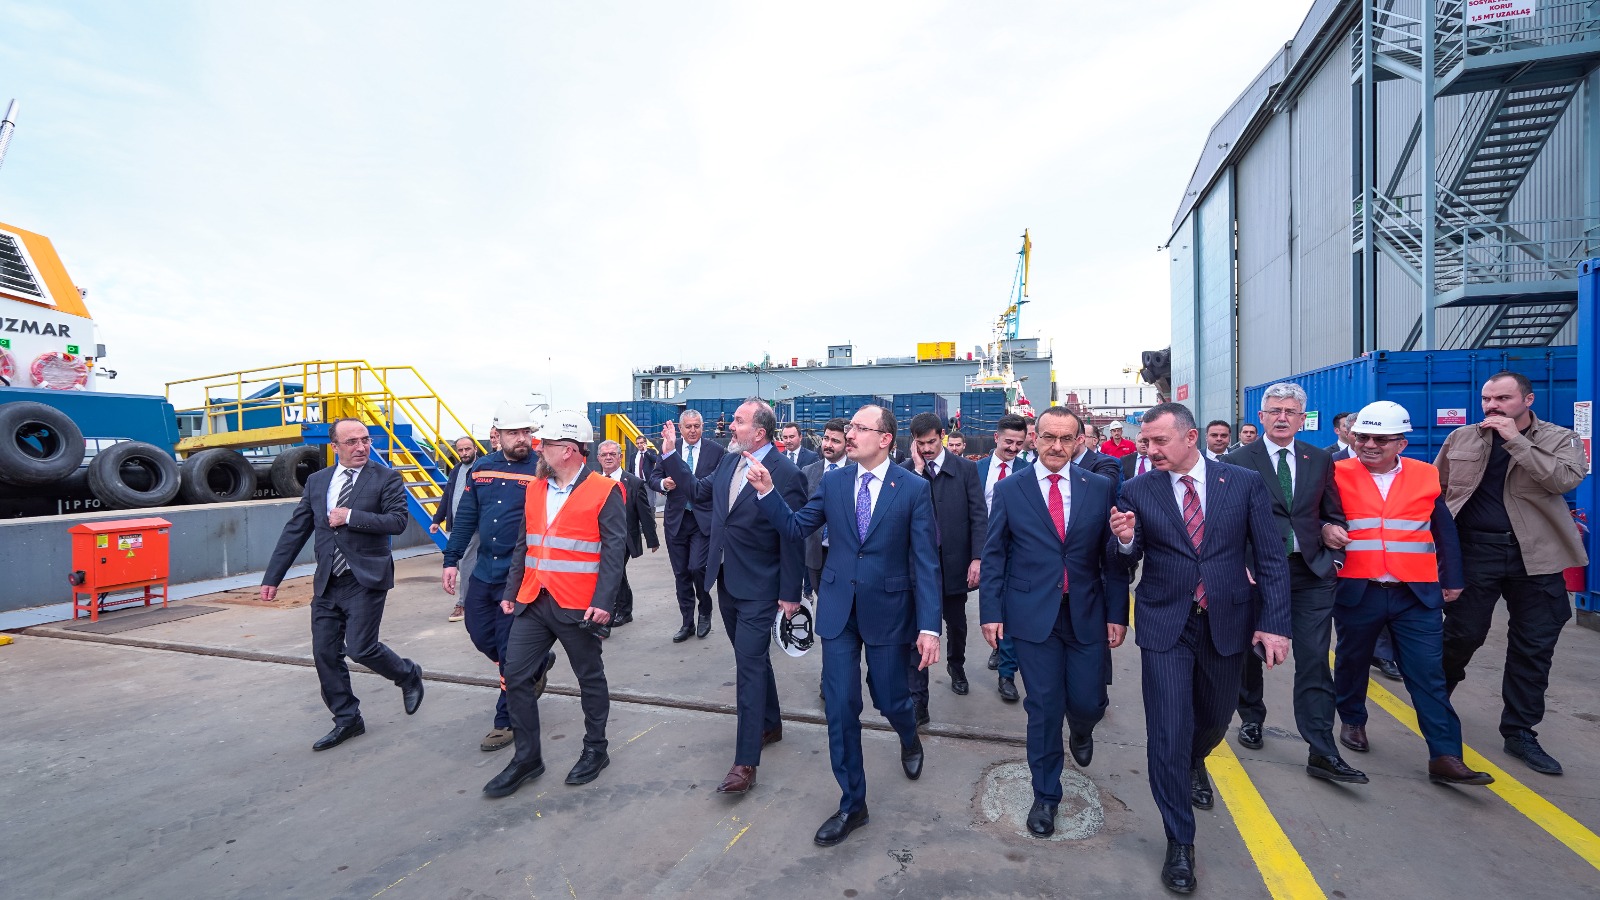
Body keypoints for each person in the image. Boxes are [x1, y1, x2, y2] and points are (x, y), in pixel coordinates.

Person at [1108, 402, 1291, 894]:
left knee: (1213, 718)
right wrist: (1124, 541)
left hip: (1227, 619)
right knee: (1168, 730)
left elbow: (1271, 558)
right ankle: (1180, 840)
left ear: (1190, 437)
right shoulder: (1138, 488)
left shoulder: (1243, 484)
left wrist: (1274, 624)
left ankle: (1195, 759)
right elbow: (1125, 559)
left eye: (1159, 441)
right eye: (1146, 442)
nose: (1150, 449)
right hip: (1166, 623)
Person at [749, 404, 942, 848]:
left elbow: (926, 563)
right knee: (840, 707)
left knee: (890, 698)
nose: (849, 434)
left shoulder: (912, 489)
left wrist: (929, 627)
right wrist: (767, 492)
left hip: (888, 610)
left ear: (885, 439)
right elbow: (796, 527)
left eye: (859, 428)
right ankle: (853, 804)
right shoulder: (834, 482)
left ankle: (908, 735)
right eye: (849, 427)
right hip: (838, 609)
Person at [1323, 401, 1494, 788]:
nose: (1369, 445)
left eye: (1380, 439)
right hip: (1358, 588)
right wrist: (1323, 530)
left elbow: (1443, 530)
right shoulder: (1334, 473)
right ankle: (1352, 720)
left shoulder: (1425, 475)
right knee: (1352, 661)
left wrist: (1453, 577)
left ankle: (1445, 755)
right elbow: (1315, 517)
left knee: (1428, 673)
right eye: (1363, 437)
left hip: (1415, 593)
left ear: (1401, 443)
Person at [981, 406, 1128, 838]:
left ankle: (1082, 728)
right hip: (1032, 615)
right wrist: (991, 612)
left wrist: (1117, 613)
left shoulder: (1098, 487)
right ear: (1035, 437)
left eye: (1066, 439)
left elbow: (1111, 559)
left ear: (1079, 441)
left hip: (1086, 612)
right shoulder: (1011, 490)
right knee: (1043, 708)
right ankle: (1046, 795)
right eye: (1049, 437)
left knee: (1088, 701)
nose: (1057, 446)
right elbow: (994, 555)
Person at [1437, 371, 1588, 776]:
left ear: (1528, 400)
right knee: (1461, 634)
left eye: (1503, 398)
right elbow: (1437, 490)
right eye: (1487, 399)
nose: (1492, 406)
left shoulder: (1560, 439)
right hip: (1474, 551)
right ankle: (1435, 705)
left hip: (1535, 555)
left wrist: (1516, 441)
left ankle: (1520, 731)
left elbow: (1564, 479)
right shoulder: (1462, 438)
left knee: (1533, 644)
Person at [659, 400, 807, 796]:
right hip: (725, 579)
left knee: (748, 668)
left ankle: (745, 762)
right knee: (752, 659)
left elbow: (792, 536)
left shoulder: (787, 473)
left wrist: (790, 592)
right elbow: (696, 492)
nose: (730, 426)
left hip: (761, 586)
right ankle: (771, 724)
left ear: (759, 432)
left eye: (738, 421)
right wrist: (671, 455)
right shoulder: (728, 462)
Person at [1222, 384, 1366, 783]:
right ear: (1261, 417)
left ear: (1303, 419)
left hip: (1310, 574)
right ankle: (1251, 718)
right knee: (1248, 655)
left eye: (1290, 411)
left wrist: (1333, 542)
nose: (1282, 417)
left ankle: (1322, 750)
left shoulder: (1319, 459)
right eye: (1274, 410)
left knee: (1315, 660)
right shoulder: (1236, 461)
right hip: (1256, 574)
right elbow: (1226, 521)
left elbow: (1332, 512)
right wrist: (1237, 565)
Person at [484, 410, 626, 798]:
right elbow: (524, 544)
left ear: (568, 450)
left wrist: (604, 602)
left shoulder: (604, 490)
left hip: (579, 605)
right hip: (534, 598)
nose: (538, 449)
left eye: (544, 443)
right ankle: (527, 758)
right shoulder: (535, 488)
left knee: (589, 678)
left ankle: (596, 749)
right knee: (515, 675)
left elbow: (615, 551)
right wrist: (511, 591)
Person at [261, 417, 425, 752]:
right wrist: (273, 577)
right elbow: (296, 530)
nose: (361, 447)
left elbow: (397, 521)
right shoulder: (318, 482)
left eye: (365, 440)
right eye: (352, 442)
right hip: (328, 580)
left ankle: (407, 674)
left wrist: (350, 516)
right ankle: (347, 719)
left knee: (361, 648)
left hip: (365, 577)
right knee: (324, 653)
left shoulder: (387, 478)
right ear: (334, 446)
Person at [441, 402, 550, 753]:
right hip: (484, 571)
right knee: (479, 634)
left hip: (520, 577)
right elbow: (466, 518)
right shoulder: (481, 468)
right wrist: (451, 559)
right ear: (497, 435)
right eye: (513, 433)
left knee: (509, 650)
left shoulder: (542, 470)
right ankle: (536, 666)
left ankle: (507, 720)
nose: (521, 439)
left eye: (526, 432)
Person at [902, 412, 987, 719]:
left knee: (957, 624)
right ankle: (918, 701)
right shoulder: (906, 472)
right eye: (920, 444)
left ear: (942, 436)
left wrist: (977, 557)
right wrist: (918, 470)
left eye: (931, 442)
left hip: (954, 565)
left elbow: (979, 516)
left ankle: (956, 665)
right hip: (918, 568)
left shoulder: (965, 469)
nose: (926, 449)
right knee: (919, 629)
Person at [649, 409, 726, 642]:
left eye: (696, 426)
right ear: (680, 429)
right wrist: (663, 483)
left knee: (697, 568)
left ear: (703, 427)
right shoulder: (669, 449)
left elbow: (720, 483)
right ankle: (687, 622)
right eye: (688, 427)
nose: (693, 431)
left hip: (702, 521)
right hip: (676, 521)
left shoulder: (716, 451)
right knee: (681, 573)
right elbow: (653, 478)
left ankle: (705, 610)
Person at [977, 414, 1030, 701]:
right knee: (992, 606)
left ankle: (1006, 673)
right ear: (996, 438)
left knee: (1010, 610)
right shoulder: (977, 470)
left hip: (1016, 552)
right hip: (985, 550)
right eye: (1008, 441)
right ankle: (997, 646)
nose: (1013, 448)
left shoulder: (1028, 472)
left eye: (1019, 443)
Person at [598, 440, 660, 627]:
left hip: (624, 538)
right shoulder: (593, 482)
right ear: (598, 458)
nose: (608, 458)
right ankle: (621, 609)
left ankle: (620, 611)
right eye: (604, 455)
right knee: (615, 572)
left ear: (621, 457)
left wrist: (652, 540)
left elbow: (645, 513)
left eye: (612, 454)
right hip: (599, 537)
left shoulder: (633, 482)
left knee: (614, 571)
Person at [431, 434, 480, 623]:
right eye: (461, 450)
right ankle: (477, 597)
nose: (464, 453)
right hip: (456, 525)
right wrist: (438, 519)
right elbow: (447, 496)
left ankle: (463, 604)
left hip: (474, 525)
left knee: (465, 562)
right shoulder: (456, 470)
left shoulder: (481, 468)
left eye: (468, 449)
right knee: (461, 562)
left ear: (475, 449)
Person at [802, 419, 850, 603]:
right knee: (823, 601)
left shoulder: (858, 471)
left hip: (846, 555)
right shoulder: (808, 472)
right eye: (826, 438)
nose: (828, 445)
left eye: (835, 441)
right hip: (816, 555)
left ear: (847, 443)